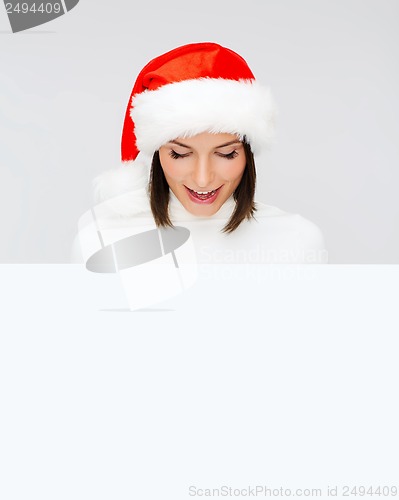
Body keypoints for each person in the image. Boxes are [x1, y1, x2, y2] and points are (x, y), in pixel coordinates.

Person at [74, 42, 327, 266]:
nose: (203, 179)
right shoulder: (100, 241)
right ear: (156, 153)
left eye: (227, 154)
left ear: (248, 154)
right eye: (179, 154)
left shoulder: (298, 242)